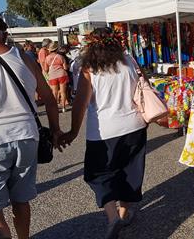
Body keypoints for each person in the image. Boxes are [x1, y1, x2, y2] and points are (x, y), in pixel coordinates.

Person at [0, 13, 62, 239]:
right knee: (20, 199)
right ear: (3, 34)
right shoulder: (24, 58)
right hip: (27, 136)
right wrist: (55, 131)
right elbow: (49, 99)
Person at [60, 28, 147, 239]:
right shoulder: (129, 61)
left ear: (91, 45)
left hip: (102, 131)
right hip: (134, 125)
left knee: (99, 174)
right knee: (130, 171)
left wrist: (72, 132)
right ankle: (124, 213)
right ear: (117, 43)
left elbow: (80, 103)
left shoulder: (89, 68)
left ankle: (112, 216)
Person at [45, 42, 69, 112]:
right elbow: (65, 68)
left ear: (50, 49)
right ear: (56, 49)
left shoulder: (47, 58)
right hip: (62, 74)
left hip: (52, 76)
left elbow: (46, 69)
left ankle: (55, 108)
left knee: (54, 92)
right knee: (63, 92)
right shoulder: (61, 57)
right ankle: (64, 107)